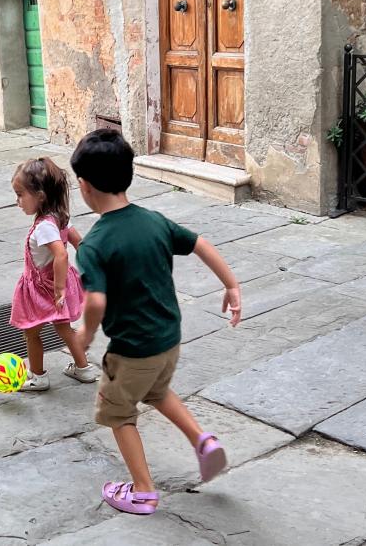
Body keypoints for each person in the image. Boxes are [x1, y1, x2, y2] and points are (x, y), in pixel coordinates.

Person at [71, 129, 242, 515]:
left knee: (117, 412)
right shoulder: (154, 221)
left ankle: (143, 490)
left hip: (132, 351)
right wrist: (231, 285)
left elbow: (95, 300)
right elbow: (200, 243)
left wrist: (85, 332)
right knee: (158, 391)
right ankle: (204, 441)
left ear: (84, 186)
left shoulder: (95, 244)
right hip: (168, 341)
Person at [10, 157, 99, 391]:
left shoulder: (44, 226)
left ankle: (38, 376)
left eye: (20, 195)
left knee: (31, 331)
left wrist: (58, 289)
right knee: (64, 329)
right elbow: (78, 241)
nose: (17, 201)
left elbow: (61, 255)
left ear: (40, 196)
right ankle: (84, 368)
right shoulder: (59, 218)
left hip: (44, 288)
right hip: (57, 283)